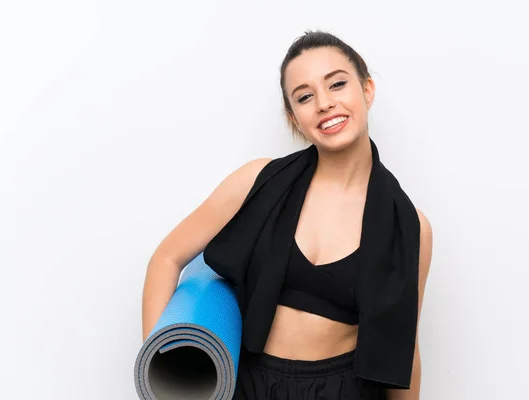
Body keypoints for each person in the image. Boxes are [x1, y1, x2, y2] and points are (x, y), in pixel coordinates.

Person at [142, 30, 433, 400]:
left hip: (344, 390)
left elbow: (403, 345)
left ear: (367, 91)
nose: (324, 103)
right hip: (247, 384)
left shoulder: (410, 228)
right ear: (294, 117)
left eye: (337, 84)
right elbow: (167, 258)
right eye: (305, 96)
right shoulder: (255, 182)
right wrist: (161, 369)